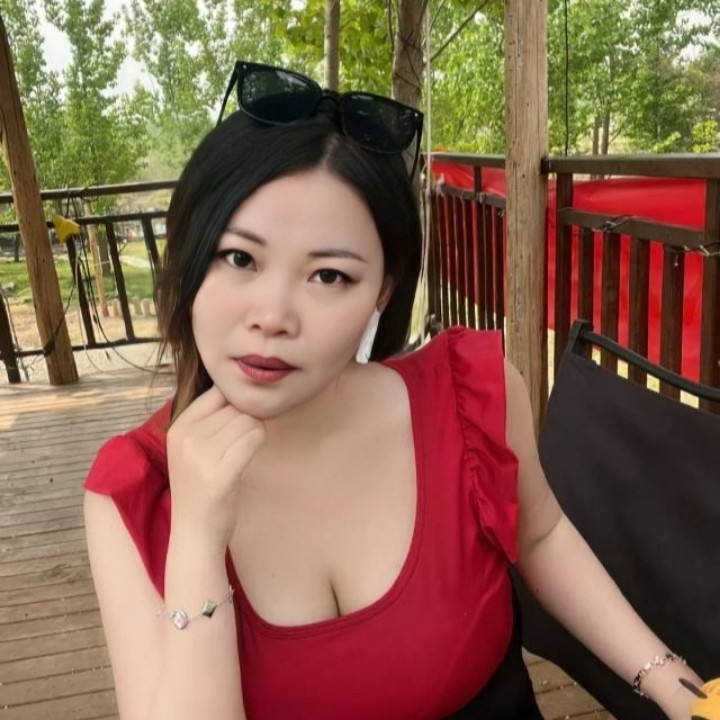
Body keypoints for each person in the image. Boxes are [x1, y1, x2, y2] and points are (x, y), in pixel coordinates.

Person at [83, 61, 704, 720]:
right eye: (240, 258)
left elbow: (541, 534)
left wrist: (668, 680)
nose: (272, 316)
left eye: (329, 276)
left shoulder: (467, 398)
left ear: (382, 292)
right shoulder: (131, 494)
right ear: (188, 256)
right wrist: (197, 541)